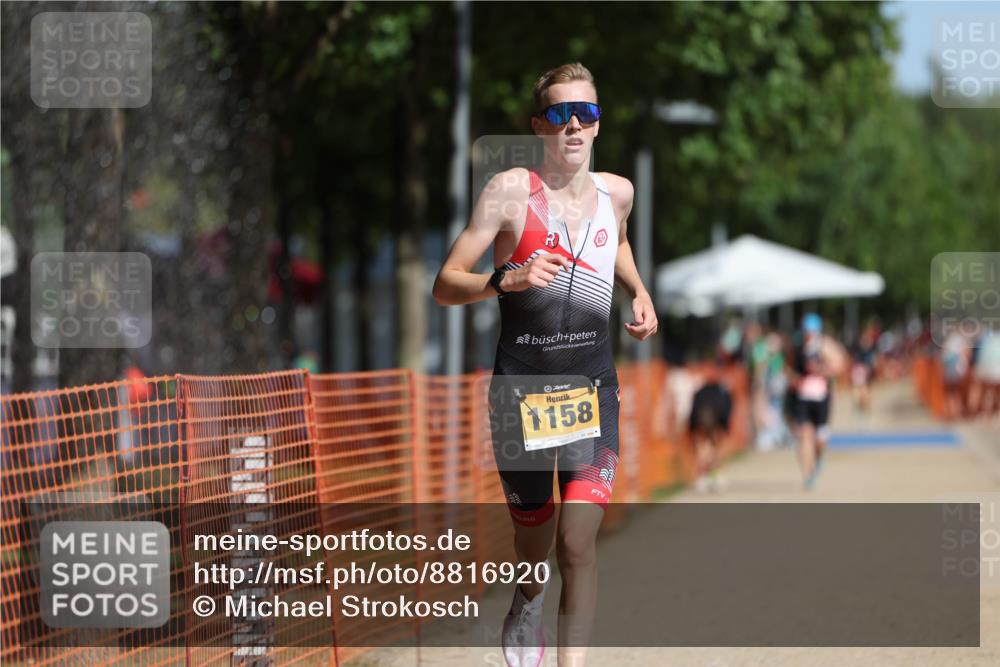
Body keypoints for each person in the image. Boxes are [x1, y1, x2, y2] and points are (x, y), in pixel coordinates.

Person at [433, 62, 657, 667]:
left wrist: (639, 289)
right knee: (533, 547)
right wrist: (506, 279)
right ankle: (526, 599)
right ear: (540, 125)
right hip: (520, 396)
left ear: (598, 123)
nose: (575, 125)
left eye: (586, 113)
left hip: (593, 390)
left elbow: (621, 240)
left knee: (577, 544)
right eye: (560, 114)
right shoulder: (510, 192)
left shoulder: (618, 193)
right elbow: (446, 284)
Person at [790, 313, 832, 490]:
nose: (808, 334)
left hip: (821, 398)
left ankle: (819, 458)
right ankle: (808, 474)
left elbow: (835, 368)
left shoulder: (824, 348)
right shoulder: (798, 349)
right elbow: (790, 371)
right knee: (804, 436)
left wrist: (820, 369)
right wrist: (795, 381)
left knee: (819, 440)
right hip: (803, 398)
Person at [688, 379, 732, 492]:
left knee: (703, 447)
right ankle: (713, 474)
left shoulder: (700, 393)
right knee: (716, 446)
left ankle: (704, 476)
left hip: (700, 417)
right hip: (716, 417)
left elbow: (693, 413)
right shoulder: (723, 393)